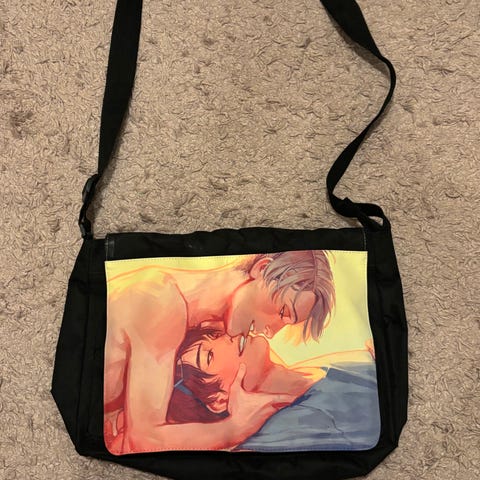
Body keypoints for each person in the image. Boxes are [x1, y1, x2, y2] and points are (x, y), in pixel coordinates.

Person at [104, 250, 335, 454]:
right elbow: (143, 439)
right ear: (262, 269)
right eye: (283, 311)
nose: (272, 332)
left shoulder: (216, 327)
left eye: (286, 322)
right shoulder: (161, 300)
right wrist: (236, 428)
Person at [167, 324, 380, 451]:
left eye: (215, 335)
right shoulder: (276, 433)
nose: (227, 337)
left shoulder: (318, 369)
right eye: (209, 356)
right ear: (219, 400)